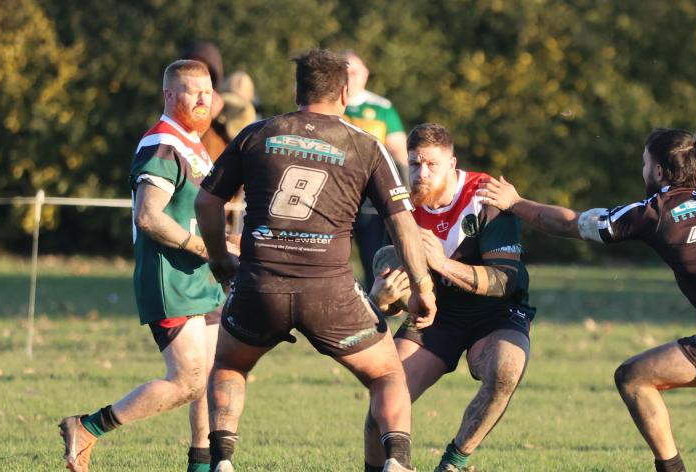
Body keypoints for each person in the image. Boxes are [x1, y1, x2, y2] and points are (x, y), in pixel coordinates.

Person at [479, 128, 696, 472]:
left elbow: (571, 224)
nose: (643, 171)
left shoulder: (654, 211)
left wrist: (515, 203)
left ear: (661, 172)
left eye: (645, 163)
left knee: (633, 377)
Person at [194, 48, 436, 472]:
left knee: (230, 364)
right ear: (345, 92)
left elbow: (206, 201)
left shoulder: (256, 133)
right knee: (387, 374)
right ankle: (397, 461)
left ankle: (223, 460)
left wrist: (218, 260)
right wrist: (422, 286)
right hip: (330, 292)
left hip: (259, 285)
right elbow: (402, 225)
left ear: (295, 90)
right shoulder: (365, 146)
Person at [59, 59, 231, 472]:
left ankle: (201, 465)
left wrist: (223, 246)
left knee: (208, 379)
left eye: (208, 90)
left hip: (199, 276)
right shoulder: (161, 143)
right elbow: (148, 216)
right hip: (169, 278)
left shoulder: (194, 143)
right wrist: (200, 247)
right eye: (193, 91)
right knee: (188, 380)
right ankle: (87, 427)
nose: (203, 98)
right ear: (170, 96)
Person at [363, 123, 536, 472]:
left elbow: (504, 280)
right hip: (436, 313)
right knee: (383, 402)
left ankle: (453, 462)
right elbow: (399, 296)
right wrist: (384, 299)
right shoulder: (400, 206)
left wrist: (441, 263)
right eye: (414, 164)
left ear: (452, 164)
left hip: (496, 312)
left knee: (506, 369)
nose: (421, 174)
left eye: (431, 165)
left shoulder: (485, 196)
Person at [342, 51, 410, 290]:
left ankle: (378, 303)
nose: (349, 78)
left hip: (370, 195)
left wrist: (406, 190)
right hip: (338, 192)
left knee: (373, 253)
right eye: (344, 72)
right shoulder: (329, 106)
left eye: (354, 72)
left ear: (365, 74)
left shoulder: (381, 108)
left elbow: (400, 150)